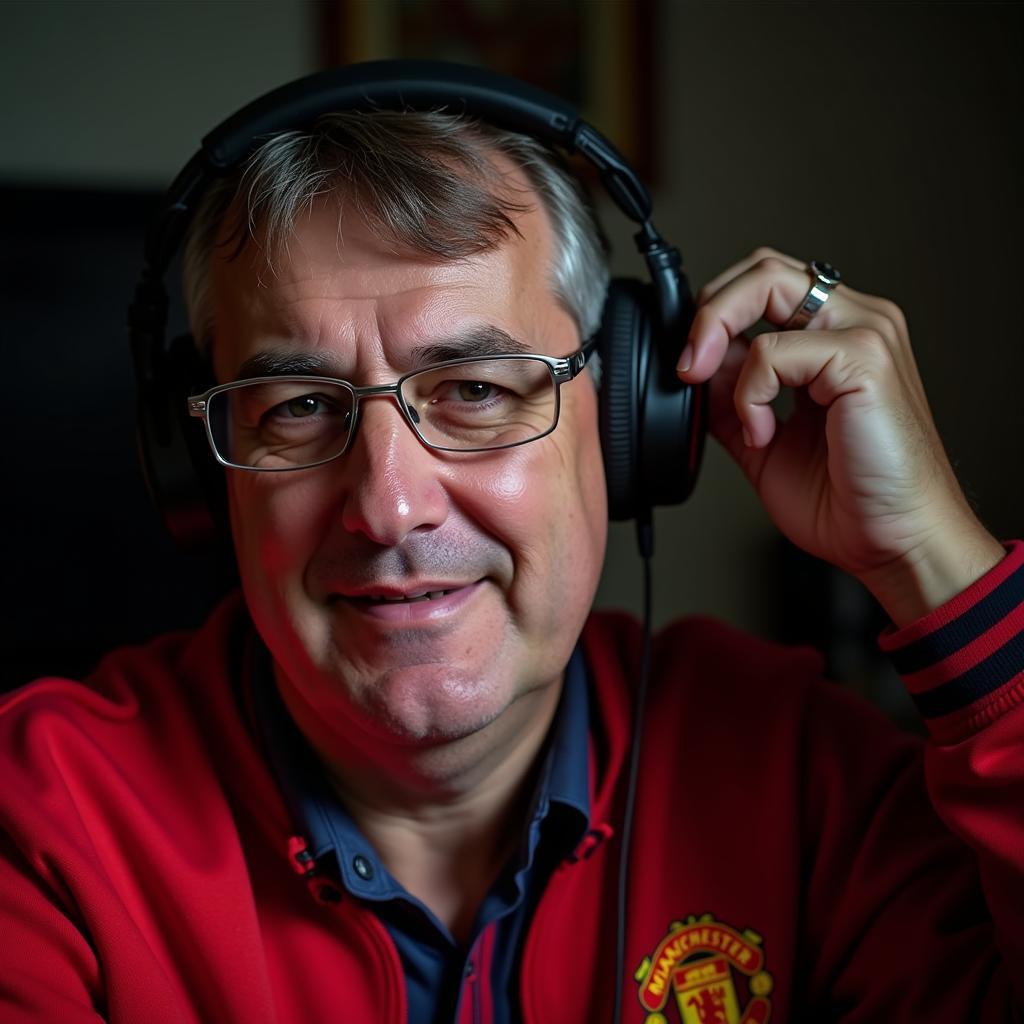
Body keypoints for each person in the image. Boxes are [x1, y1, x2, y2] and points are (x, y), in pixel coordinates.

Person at [1, 65, 1021, 1024]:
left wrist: (935, 564)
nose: (389, 507)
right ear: (198, 465)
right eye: (302, 406)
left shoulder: (809, 782)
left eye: (477, 391)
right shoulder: (43, 822)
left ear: (626, 417)